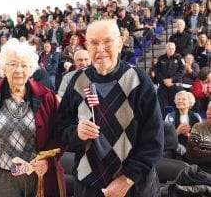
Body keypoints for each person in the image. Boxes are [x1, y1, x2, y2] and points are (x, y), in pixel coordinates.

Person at [56, 19, 163, 197]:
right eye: (94, 43)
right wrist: (76, 133)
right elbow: (61, 129)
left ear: (120, 43)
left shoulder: (139, 80)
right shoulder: (76, 81)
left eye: (107, 41)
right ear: (87, 46)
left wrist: (128, 178)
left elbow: (154, 141)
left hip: (134, 186)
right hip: (89, 186)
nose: (100, 49)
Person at [0, 39, 65, 197]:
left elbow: (60, 132)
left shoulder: (46, 97)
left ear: (31, 69)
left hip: (38, 176)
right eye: (13, 64)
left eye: (24, 65)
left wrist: (48, 161)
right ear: (4, 67)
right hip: (1, 178)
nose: (19, 70)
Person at [165, 91, 201, 158]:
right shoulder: (169, 116)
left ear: (190, 102)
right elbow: (165, 138)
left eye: (184, 99)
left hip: (192, 149)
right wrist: (177, 132)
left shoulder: (196, 117)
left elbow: (201, 137)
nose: (180, 101)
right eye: (178, 99)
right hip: (173, 149)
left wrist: (189, 135)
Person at [154, 42, 184, 117]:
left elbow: (181, 70)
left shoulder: (179, 58)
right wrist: (163, 80)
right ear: (166, 49)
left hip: (174, 85)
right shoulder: (161, 58)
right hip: (163, 85)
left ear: (175, 49)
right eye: (169, 48)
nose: (171, 50)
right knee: (161, 105)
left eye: (172, 49)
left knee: (176, 103)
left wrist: (172, 79)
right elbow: (157, 71)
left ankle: (176, 119)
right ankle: (163, 120)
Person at [186, 101, 211, 173]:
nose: (208, 112)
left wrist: (204, 154)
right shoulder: (198, 127)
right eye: (208, 109)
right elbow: (191, 153)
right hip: (201, 172)